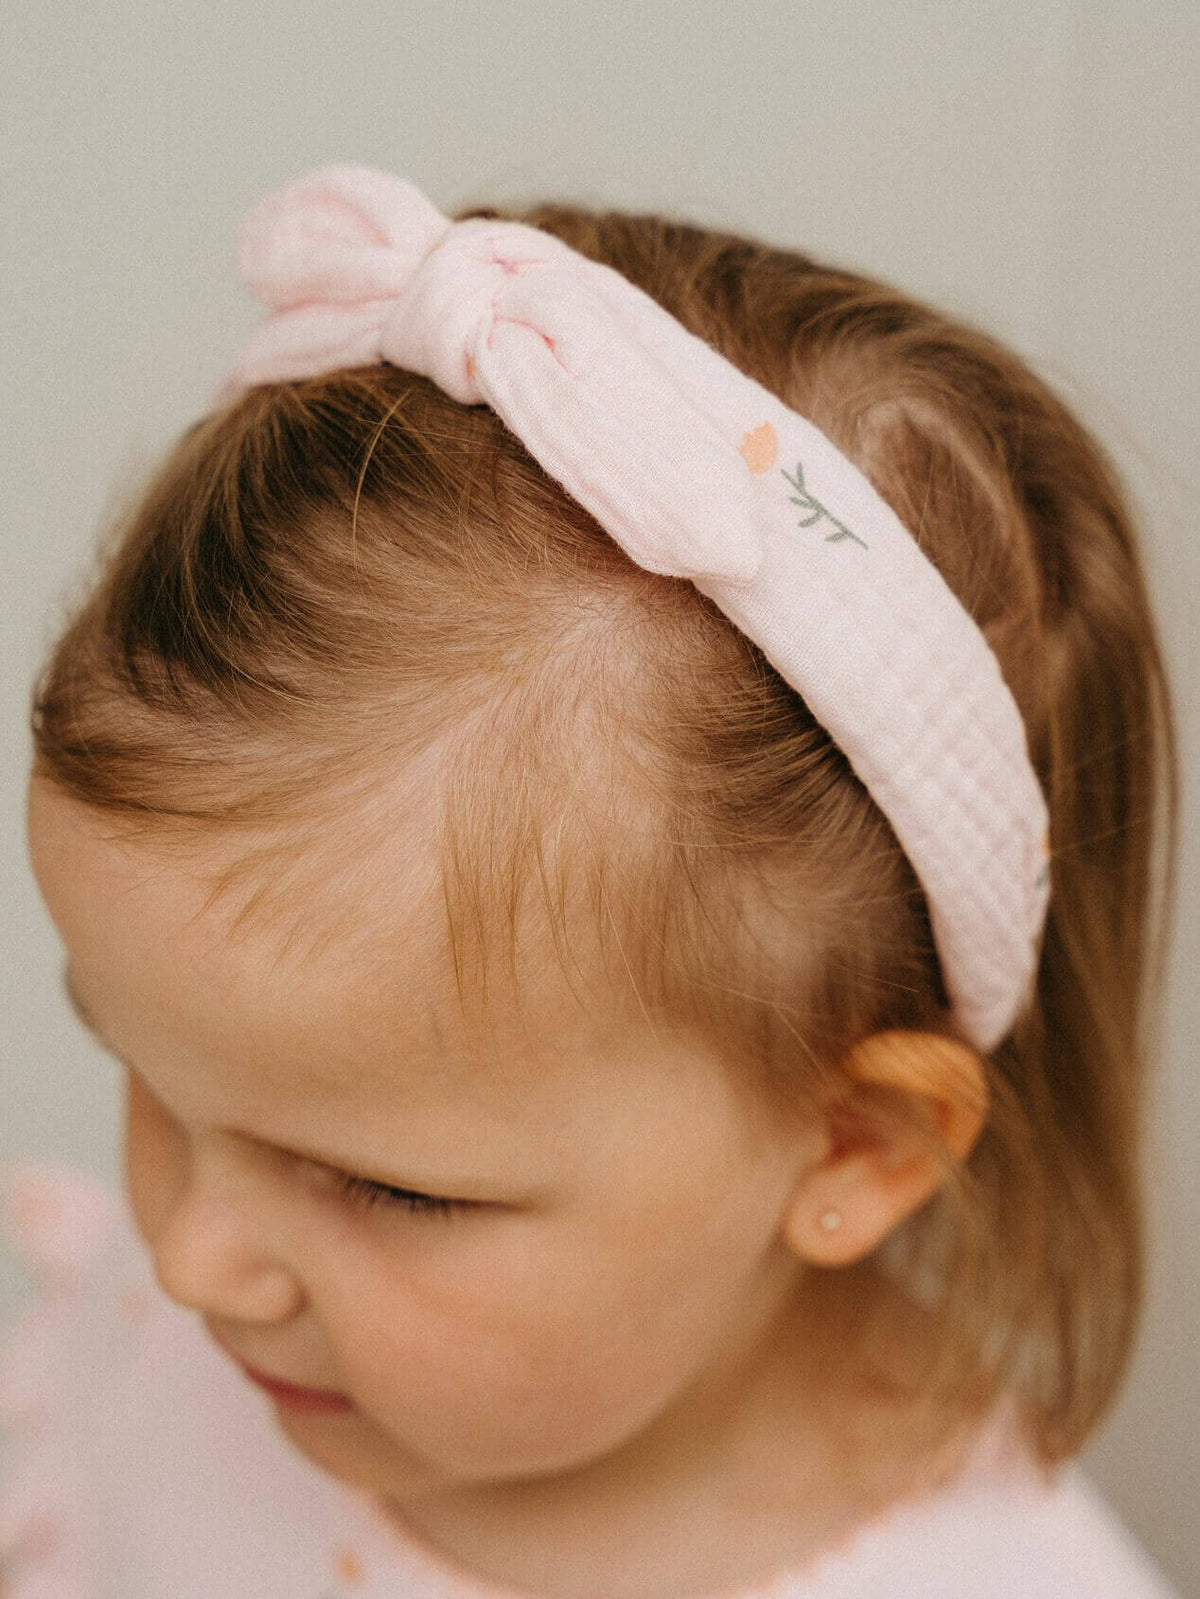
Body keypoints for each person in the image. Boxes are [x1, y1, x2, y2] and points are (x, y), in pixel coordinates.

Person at [1, 163, 1182, 1599]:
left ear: (854, 1145)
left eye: (387, 1191)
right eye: (144, 1070)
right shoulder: (207, 1324)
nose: (188, 1262)